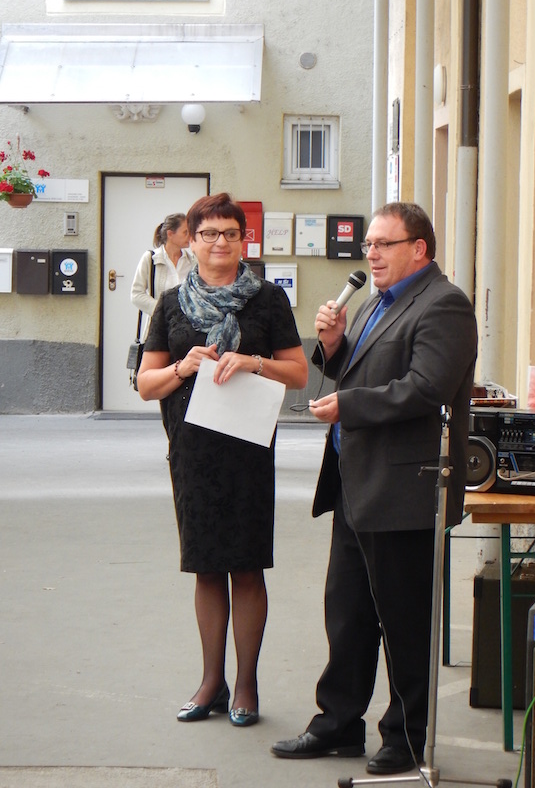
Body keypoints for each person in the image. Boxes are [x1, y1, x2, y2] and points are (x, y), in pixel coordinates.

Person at [271, 202, 477, 774]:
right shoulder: (371, 303)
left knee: (405, 622)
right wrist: (335, 345)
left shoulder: (444, 304)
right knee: (348, 615)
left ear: (419, 249)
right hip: (355, 483)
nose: (372, 254)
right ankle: (338, 723)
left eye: (384, 244)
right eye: (369, 245)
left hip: (406, 488)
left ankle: (406, 737)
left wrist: (349, 405)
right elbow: (357, 374)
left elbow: (426, 388)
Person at [136, 193, 308, 728]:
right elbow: (146, 384)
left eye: (230, 233)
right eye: (208, 233)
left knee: (247, 566)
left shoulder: (268, 301)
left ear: (243, 240)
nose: (219, 243)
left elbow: (298, 372)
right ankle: (212, 682)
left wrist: (254, 362)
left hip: (248, 448)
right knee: (206, 566)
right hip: (193, 452)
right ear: (191, 240)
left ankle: (247, 685)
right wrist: (183, 367)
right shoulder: (171, 303)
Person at [130, 212, 196, 337]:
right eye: (185, 232)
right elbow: (136, 294)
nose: (190, 236)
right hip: (159, 329)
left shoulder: (192, 261)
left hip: (187, 330)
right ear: (170, 234)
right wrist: (163, 310)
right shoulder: (151, 259)